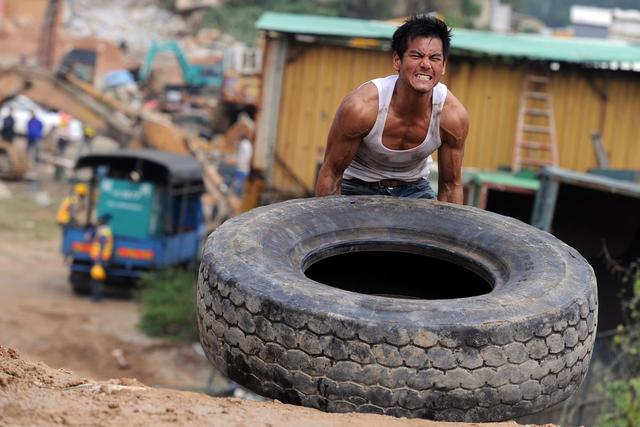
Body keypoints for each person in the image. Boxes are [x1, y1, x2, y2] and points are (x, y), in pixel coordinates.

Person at [315, 15, 469, 203]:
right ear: (397, 60)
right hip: (355, 185)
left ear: (443, 66)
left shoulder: (451, 116)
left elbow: (451, 186)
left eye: (435, 58)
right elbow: (331, 173)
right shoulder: (362, 107)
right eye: (416, 55)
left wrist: (448, 231)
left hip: (414, 188)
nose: (426, 65)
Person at [89, 214, 113, 302]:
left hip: (101, 259)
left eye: (98, 221)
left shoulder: (103, 232)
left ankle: (96, 298)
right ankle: (96, 297)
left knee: (97, 278)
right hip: (102, 258)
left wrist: (99, 260)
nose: (97, 222)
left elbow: (102, 245)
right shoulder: (105, 230)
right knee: (97, 278)